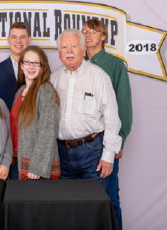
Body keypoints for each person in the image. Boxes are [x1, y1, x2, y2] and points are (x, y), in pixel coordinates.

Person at [51, 29, 122, 190]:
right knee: (67, 206)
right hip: (62, 154)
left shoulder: (99, 76)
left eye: (74, 46)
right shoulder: (53, 78)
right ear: (59, 52)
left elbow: (112, 117)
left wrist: (109, 155)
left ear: (83, 50)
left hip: (92, 153)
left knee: (94, 205)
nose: (69, 51)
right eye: (64, 47)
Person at [83, 19, 132, 230]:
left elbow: (123, 104)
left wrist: (119, 140)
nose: (87, 35)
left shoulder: (114, 65)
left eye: (92, 31)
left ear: (103, 36)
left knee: (109, 197)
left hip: (105, 141)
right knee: (83, 201)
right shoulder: (78, 64)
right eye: (84, 31)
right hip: (82, 145)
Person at [10, 45, 60, 180]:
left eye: (36, 63)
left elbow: (48, 131)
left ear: (42, 67)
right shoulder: (20, 91)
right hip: (18, 160)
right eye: (27, 62)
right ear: (21, 65)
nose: (31, 67)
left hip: (36, 168)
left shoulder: (46, 91)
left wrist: (37, 167)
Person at [0, 22, 31, 111]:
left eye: (23, 37)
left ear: (29, 40)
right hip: (6, 123)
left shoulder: (41, 69)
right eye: (14, 37)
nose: (18, 41)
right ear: (8, 40)